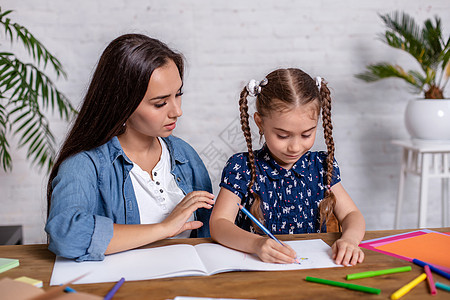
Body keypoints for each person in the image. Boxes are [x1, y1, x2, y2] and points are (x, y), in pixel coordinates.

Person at [45, 34, 214, 261]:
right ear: (123, 104)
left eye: (178, 94)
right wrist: (163, 228)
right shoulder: (85, 165)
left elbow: (208, 236)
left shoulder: (185, 156)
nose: (176, 111)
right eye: (160, 103)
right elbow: (66, 235)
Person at [210, 68, 365, 266]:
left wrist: (349, 240)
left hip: (309, 267)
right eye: (282, 136)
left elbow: (353, 215)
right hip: (255, 268)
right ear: (260, 122)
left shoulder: (321, 166)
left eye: (307, 134)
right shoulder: (242, 168)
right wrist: (257, 244)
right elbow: (219, 224)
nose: (295, 147)